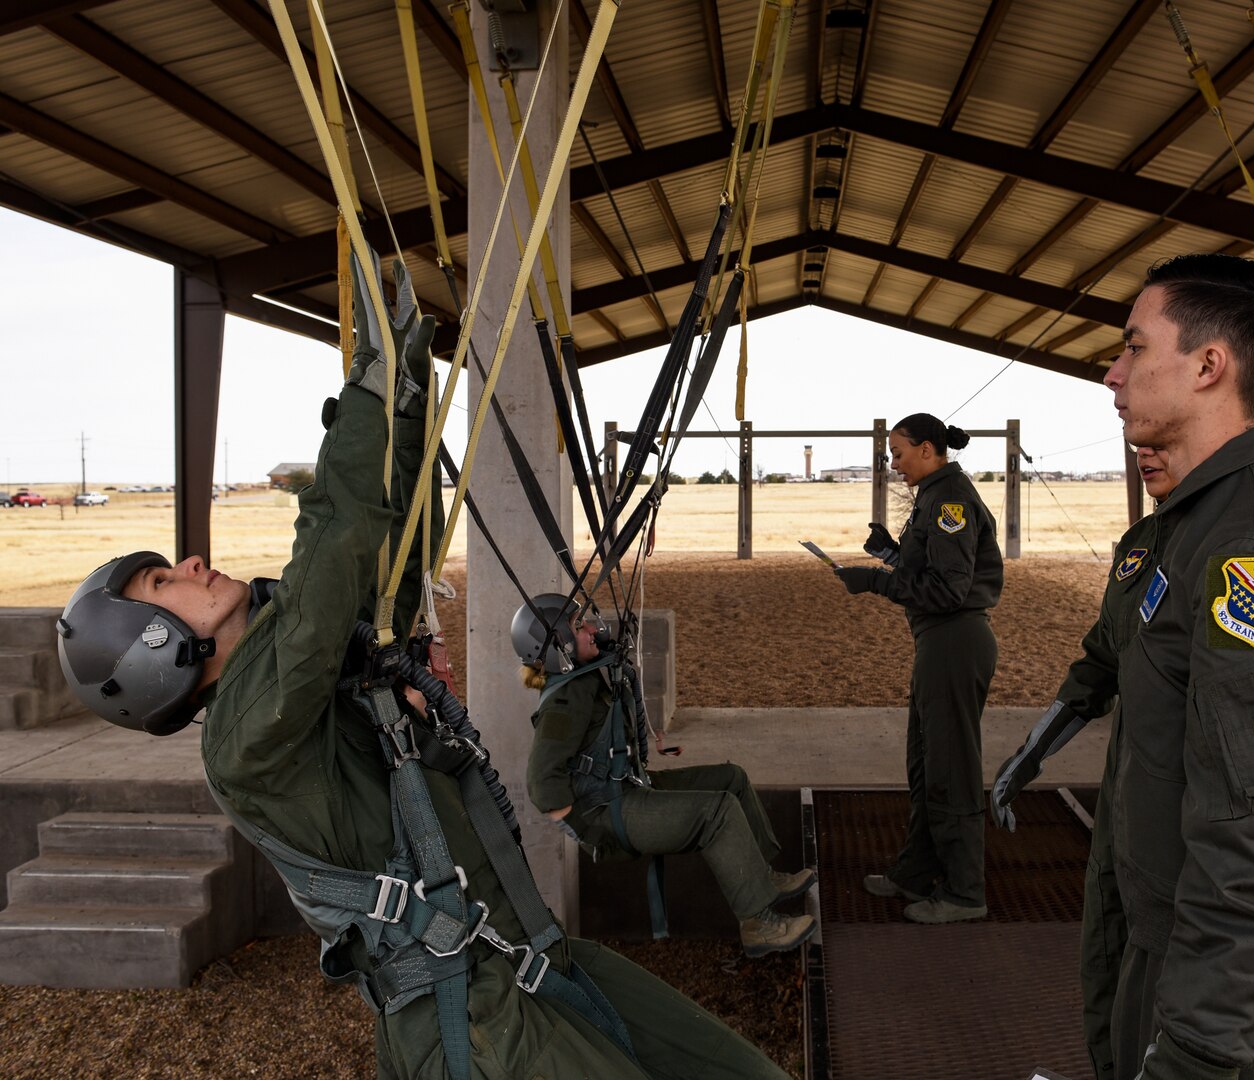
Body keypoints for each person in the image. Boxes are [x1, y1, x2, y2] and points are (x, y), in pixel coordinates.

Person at [56, 256, 789, 1079]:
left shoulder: (312, 684)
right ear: (151, 649)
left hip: (530, 961)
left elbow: (386, 559)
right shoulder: (244, 742)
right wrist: (367, 393)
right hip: (472, 1019)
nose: (191, 562)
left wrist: (407, 404)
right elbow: (329, 557)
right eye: (164, 582)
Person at [996, 254, 1254, 1080]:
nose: (1112, 373)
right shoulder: (1183, 528)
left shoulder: (1250, 555)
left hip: (1225, 999)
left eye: (1135, 348)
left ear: (1211, 366)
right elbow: (1117, 655)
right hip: (1169, 946)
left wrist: (1197, 1053)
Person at [991, 445, 1169, 1079]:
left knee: (1160, 979)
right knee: (1104, 954)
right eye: (1139, 443)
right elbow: (1100, 664)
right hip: (1125, 794)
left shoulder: (1247, 545)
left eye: (1163, 437)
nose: (1144, 450)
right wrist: (1029, 755)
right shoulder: (1142, 542)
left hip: (1183, 822)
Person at [513, 594, 817, 956]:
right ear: (557, 644)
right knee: (717, 812)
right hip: (610, 811)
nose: (593, 629)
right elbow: (541, 783)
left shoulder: (585, 678)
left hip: (627, 786)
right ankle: (759, 923)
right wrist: (589, 832)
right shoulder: (565, 702)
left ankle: (761, 875)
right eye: (580, 626)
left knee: (731, 778)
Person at [832, 413, 1003, 924]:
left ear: (927, 449)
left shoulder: (950, 500)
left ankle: (964, 892)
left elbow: (950, 591)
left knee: (951, 766)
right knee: (926, 763)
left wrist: (875, 581)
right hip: (939, 643)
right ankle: (918, 870)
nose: (893, 463)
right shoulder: (933, 495)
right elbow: (933, 568)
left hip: (954, 641)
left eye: (898, 453)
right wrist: (893, 553)